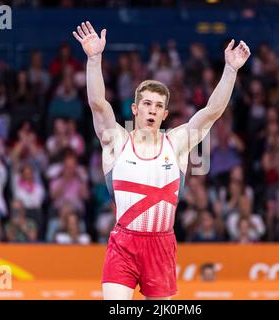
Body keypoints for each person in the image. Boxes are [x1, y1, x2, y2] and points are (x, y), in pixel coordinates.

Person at [72, 21, 250, 300]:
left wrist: (230, 70)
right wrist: (94, 60)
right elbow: (98, 104)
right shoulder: (118, 141)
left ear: (165, 114)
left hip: (161, 246)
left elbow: (211, 113)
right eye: (146, 104)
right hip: (124, 245)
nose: (152, 110)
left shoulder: (176, 143)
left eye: (158, 106)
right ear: (135, 108)